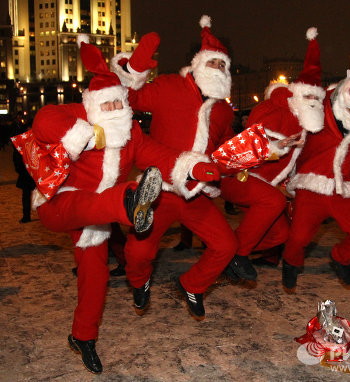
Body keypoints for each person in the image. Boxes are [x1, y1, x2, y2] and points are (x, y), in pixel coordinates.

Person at [17, 36, 219, 374]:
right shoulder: (79, 114)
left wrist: (193, 166)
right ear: (94, 104)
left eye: (118, 105)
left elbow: (160, 155)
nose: (113, 111)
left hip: (99, 214)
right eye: (106, 105)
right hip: (61, 202)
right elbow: (43, 121)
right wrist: (88, 134)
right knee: (107, 200)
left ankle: (82, 337)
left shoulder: (130, 133)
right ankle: (131, 200)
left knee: (95, 278)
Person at [111, 16, 238, 320]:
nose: (218, 70)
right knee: (138, 253)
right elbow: (133, 97)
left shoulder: (222, 108)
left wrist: (266, 148)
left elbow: (225, 145)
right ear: (198, 63)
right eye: (213, 63)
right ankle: (139, 283)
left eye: (224, 65)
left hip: (197, 195)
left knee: (226, 245)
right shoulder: (169, 85)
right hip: (160, 190)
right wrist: (132, 72)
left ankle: (192, 284)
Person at [221, 27, 326, 281]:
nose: (312, 102)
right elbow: (247, 143)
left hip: (266, 185)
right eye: (308, 96)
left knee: (280, 235)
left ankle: (223, 253)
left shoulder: (306, 122)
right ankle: (236, 254)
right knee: (273, 202)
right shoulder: (275, 108)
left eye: (317, 98)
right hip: (241, 177)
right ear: (296, 94)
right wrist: (277, 147)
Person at [282, 75, 350, 291]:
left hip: (344, 188)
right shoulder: (317, 111)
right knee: (298, 237)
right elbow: (294, 100)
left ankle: (341, 259)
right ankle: (291, 263)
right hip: (311, 186)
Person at [12, 117, 36, 223]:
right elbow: (16, 157)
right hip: (27, 172)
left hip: (35, 172)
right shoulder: (22, 141)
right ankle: (26, 215)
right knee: (26, 195)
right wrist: (20, 169)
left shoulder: (38, 140)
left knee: (39, 195)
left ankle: (29, 216)